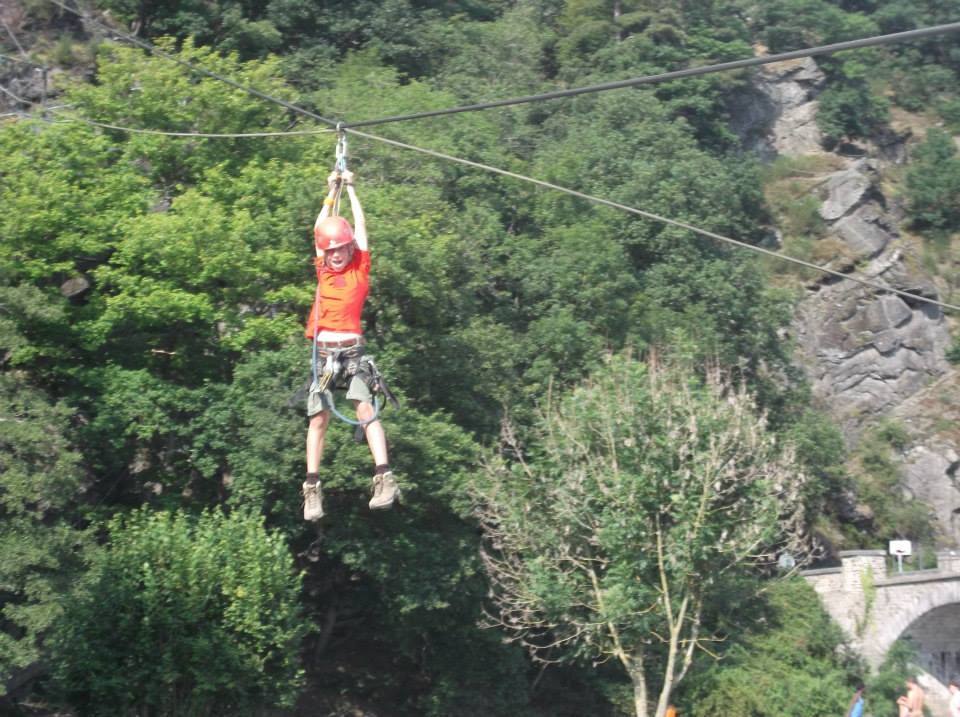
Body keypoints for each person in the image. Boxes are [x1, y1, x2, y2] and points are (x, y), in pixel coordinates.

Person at [302, 169, 399, 521]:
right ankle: (312, 490)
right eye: (331, 251)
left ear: (349, 249)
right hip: (326, 356)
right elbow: (318, 229)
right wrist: (331, 191)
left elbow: (361, 229)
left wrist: (352, 191)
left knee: (363, 408)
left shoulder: (359, 268)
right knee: (319, 417)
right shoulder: (323, 271)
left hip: (353, 352)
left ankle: (384, 478)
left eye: (341, 249)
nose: (335, 255)